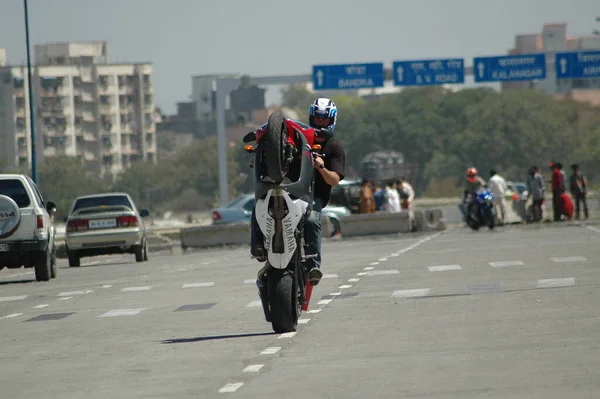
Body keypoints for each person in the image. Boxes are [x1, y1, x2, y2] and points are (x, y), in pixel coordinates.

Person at [249, 98, 346, 287]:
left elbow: (334, 180)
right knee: (259, 208)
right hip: (290, 190)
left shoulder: (334, 147)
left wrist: (321, 168)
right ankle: (258, 246)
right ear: (311, 118)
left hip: (313, 196)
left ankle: (312, 265)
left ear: (332, 120)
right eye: (317, 119)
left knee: (311, 219)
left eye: (324, 120)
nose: (320, 123)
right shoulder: (298, 137)